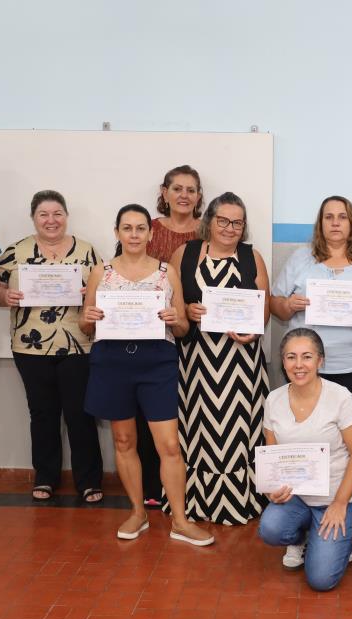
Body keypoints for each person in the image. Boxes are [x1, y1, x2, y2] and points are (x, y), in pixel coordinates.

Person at [80, 204, 213, 546]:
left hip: (157, 362)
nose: (134, 234)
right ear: (117, 232)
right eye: (127, 228)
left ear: (151, 233)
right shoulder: (100, 272)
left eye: (141, 228)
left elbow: (182, 328)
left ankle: (180, 521)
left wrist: (175, 319)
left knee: (169, 445)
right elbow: (85, 324)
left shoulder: (167, 272)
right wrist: (89, 318)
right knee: (124, 441)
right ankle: (137, 512)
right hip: (112, 363)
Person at [0, 190, 104, 503]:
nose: (51, 220)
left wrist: (89, 294)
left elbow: (105, 289)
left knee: (80, 414)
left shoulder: (87, 251)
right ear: (33, 218)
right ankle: (45, 477)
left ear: (66, 216)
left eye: (57, 214)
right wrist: (5, 296)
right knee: (42, 414)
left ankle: (89, 480)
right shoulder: (16, 251)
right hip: (30, 347)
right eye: (43, 214)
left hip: (79, 344)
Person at [170, 192, 271, 525]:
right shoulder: (185, 254)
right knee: (199, 430)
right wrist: (186, 310)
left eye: (237, 222)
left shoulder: (252, 257)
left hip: (241, 363)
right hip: (196, 361)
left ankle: (241, 499)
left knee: (240, 432)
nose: (230, 228)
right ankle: (198, 500)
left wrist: (254, 332)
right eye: (223, 221)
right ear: (209, 222)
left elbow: (264, 310)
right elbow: (171, 304)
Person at [270, 196, 352, 426]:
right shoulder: (301, 257)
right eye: (328, 217)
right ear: (320, 224)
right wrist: (287, 305)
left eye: (342, 217)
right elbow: (275, 303)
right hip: (306, 366)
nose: (335, 223)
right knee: (308, 429)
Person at [258, 328, 352, 591]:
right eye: (291, 357)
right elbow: (272, 455)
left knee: (320, 580)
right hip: (297, 498)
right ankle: (301, 538)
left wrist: (340, 503)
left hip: (337, 498)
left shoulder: (340, 397)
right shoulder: (273, 399)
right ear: (283, 361)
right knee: (270, 529)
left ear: (320, 360)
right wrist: (272, 491)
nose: (299, 365)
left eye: (306, 356)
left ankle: (349, 537)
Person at [136, 165, 205, 508]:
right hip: (149, 336)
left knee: (191, 412)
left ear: (199, 196)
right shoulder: (146, 229)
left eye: (191, 190)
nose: (184, 195)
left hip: (198, 336)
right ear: (164, 192)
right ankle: (153, 487)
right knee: (151, 413)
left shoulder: (210, 231)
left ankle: (190, 486)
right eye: (177, 188)